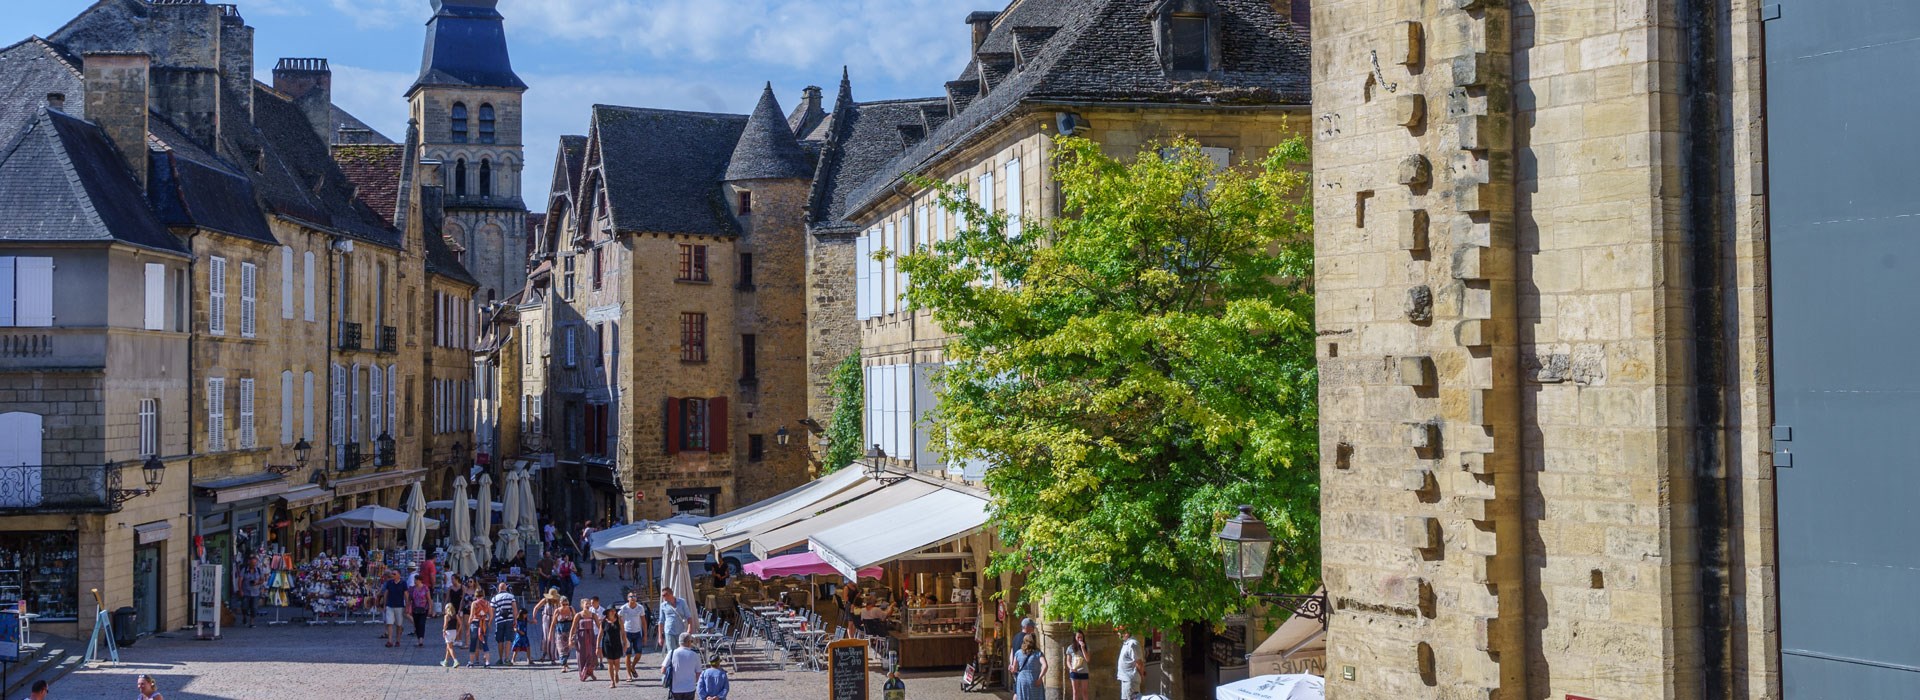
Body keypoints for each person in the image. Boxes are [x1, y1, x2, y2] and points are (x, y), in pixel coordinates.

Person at [617, 591, 650, 676]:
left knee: (639, 653)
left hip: (637, 632)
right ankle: (628, 674)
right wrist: (621, 633)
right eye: (631, 596)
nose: (633, 598)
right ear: (628, 598)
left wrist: (645, 635)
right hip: (627, 633)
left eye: (634, 596)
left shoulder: (640, 608)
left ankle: (633, 666)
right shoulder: (623, 608)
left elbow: (643, 621)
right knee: (628, 654)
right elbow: (619, 620)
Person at [662, 632, 702, 700]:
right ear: (689, 642)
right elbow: (698, 673)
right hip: (690, 688)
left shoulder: (672, 653)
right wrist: (692, 682)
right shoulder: (695, 655)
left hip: (675, 688)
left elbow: (663, 670)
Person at [1012, 632, 1048, 700]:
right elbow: (1045, 666)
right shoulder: (1038, 654)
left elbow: (1014, 669)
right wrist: (1040, 678)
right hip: (1034, 679)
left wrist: (1012, 670)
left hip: (1022, 680)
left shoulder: (1018, 653)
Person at [490, 583, 519, 666]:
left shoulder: (494, 598)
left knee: (500, 640)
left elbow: (491, 611)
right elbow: (515, 609)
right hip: (509, 620)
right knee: (508, 640)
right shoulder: (511, 596)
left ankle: (500, 659)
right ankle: (507, 658)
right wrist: (515, 620)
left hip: (499, 621)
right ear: (506, 588)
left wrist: (490, 622)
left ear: (499, 589)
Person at [573, 600, 601, 682]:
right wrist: (571, 639)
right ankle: (583, 673)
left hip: (591, 636)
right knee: (582, 656)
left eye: (589, 604)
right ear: (582, 605)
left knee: (592, 655)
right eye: (586, 604)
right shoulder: (578, 615)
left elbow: (599, 627)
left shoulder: (593, 615)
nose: (588, 605)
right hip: (581, 637)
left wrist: (602, 635)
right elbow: (573, 627)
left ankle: (590, 672)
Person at [658, 586, 693, 651]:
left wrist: (689, 628)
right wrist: (660, 637)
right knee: (671, 653)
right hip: (669, 631)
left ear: (671, 594)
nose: (663, 597)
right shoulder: (663, 605)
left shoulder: (682, 602)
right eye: (662, 595)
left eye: (664, 595)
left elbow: (689, 616)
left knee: (682, 651)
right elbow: (661, 621)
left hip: (681, 631)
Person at [381, 570, 409, 648]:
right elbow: (386, 593)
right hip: (390, 605)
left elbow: (406, 595)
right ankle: (390, 641)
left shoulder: (403, 583)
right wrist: (384, 605)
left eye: (394, 574)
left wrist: (407, 606)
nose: (392, 575)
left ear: (399, 575)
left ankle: (398, 640)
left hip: (399, 606)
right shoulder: (389, 583)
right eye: (392, 574)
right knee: (389, 623)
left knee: (399, 624)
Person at [599, 607, 626, 689]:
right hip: (607, 644)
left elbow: (623, 633)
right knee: (610, 663)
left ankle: (616, 673)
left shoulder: (619, 620)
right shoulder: (604, 622)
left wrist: (625, 643)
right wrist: (597, 647)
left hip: (617, 643)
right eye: (611, 611)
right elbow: (600, 635)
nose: (613, 612)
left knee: (617, 663)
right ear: (607, 612)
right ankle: (612, 681)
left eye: (614, 611)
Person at [533, 588, 562, 664]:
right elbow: (536, 608)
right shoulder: (545, 600)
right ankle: (545, 653)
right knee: (546, 637)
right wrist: (534, 617)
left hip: (554, 620)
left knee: (553, 638)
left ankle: (553, 657)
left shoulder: (558, 602)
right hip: (546, 619)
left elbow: (561, 610)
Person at [467, 589, 493, 668]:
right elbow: (491, 615)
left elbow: (471, 616)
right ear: (483, 594)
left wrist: (468, 625)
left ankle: (471, 662)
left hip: (475, 623)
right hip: (484, 623)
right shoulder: (487, 603)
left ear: (475, 594)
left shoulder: (474, 603)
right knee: (485, 642)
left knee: (473, 643)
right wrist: (489, 623)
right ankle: (487, 662)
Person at [1117, 627, 1144, 700]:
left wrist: (1141, 675)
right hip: (1126, 679)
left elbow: (1139, 662)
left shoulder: (1133, 643)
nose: (1118, 634)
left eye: (1120, 632)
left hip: (1130, 680)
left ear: (1126, 633)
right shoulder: (1126, 643)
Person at [1065, 629, 1091, 700]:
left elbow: (1087, 659)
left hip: (1084, 671)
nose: (1080, 639)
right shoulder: (1070, 648)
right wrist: (1071, 668)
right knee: (1075, 692)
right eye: (1078, 637)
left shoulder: (1086, 647)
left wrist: (1083, 648)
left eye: (1081, 637)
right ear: (1075, 638)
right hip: (1074, 671)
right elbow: (1068, 661)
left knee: (1085, 692)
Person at [553, 597, 577, 672]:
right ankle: (563, 665)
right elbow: (554, 623)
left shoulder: (571, 609)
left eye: (566, 604)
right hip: (560, 632)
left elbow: (576, 619)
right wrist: (551, 633)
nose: (565, 606)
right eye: (563, 604)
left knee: (568, 648)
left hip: (569, 632)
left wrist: (576, 630)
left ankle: (565, 662)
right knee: (561, 649)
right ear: (560, 603)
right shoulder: (557, 611)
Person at [409, 574, 433, 646]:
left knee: (421, 624)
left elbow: (429, 599)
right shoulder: (412, 588)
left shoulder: (425, 588)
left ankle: (421, 639)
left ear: (419, 580)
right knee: (416, 624)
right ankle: (418, 638)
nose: (415, 581)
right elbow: (410, 599)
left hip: (423, 609)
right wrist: (409, 607)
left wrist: (430, 608)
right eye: (414, 580)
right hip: (415, 609)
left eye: (416, 580)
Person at [440, 603, 462, 668]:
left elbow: (445, 625)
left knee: (450, 647)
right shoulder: (456, 616)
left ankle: (455, 661)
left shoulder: (446, 616)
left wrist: (443, 631)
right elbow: (460, 624)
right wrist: (458, 631)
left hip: (448, 632)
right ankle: (445, 661)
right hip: (454, 632)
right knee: (448, 647)